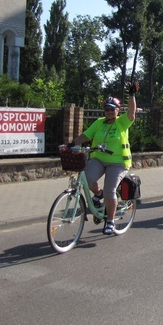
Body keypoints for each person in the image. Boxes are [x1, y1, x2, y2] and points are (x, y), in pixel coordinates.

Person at [69, 82, 138, 235]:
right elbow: (86, 135)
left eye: (112, 109)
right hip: (99, 159)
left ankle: (110, 221)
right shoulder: (99, 123)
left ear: (117, 111)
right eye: (106, 109)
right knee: (86, 179)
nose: (109, 112)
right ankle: (98, 194)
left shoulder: (121, 122)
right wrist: (72, 144)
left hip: (118, 163)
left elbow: (132, 113)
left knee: (110, 191)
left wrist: (132, 95)